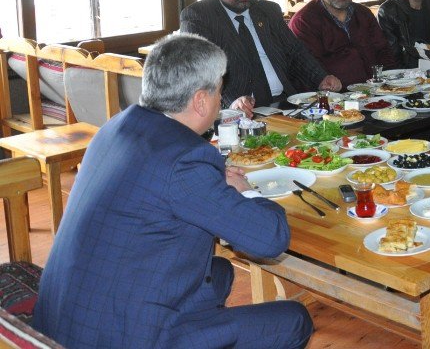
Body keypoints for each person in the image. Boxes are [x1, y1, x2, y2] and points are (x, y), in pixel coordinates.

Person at [33, 33, 312, 349]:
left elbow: (161, 181)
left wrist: (208, 182)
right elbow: (271, 238)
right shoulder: (185, 160)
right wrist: (246, 190)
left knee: (218, 272)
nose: (220, 100)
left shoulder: (118, 126)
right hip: (124, 338)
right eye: (219, 90)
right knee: (294, 320)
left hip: (65, 319)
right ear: (200, 101)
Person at [180, 0, 338, 114]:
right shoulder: (199, 16)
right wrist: (232, 101)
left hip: (285, 103)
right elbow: (200, 70)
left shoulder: (268, 11)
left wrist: (321, 78)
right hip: (238, 110)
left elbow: (296, 51)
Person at [288, 0, 397, 88]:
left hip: (376, 92)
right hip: (335, 98)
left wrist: (392, 84)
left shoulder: (363, 14)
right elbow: (310, 69)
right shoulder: (304, 21)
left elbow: (383, 51)